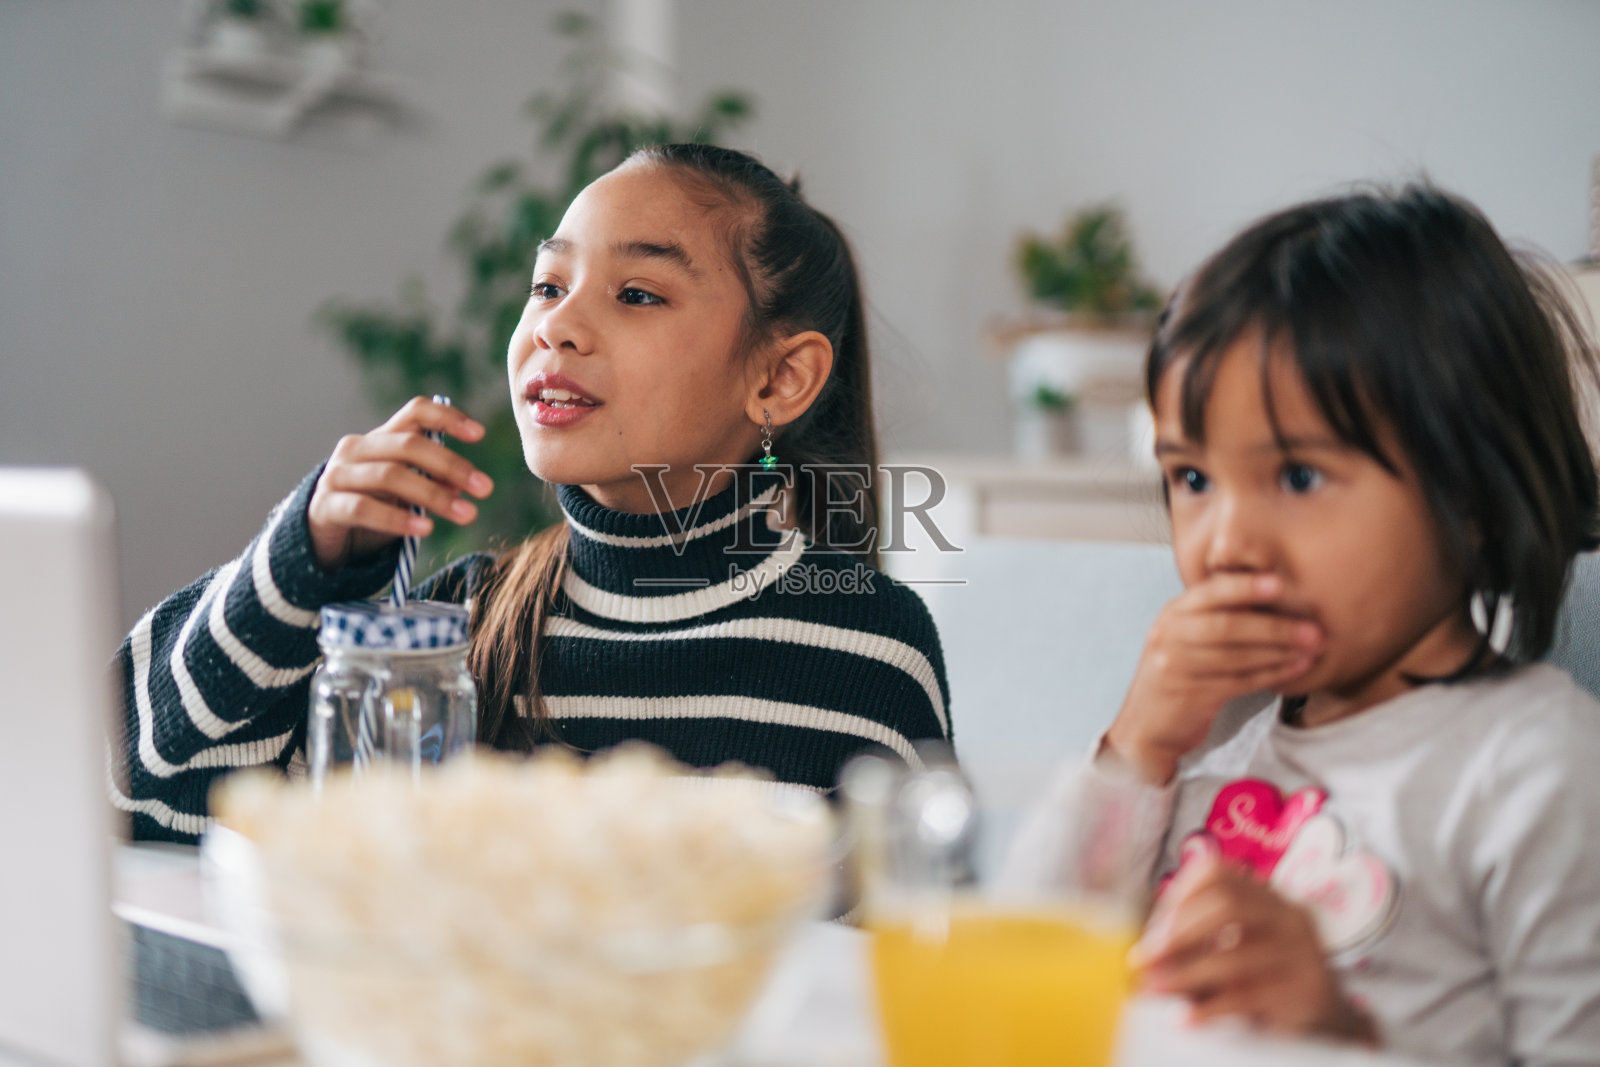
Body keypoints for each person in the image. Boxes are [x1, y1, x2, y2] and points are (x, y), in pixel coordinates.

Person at [112, 143, 951, 843]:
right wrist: (300, 567)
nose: (556, 325)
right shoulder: (449, 633)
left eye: (637, 294)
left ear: (779, 378)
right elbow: (155, 810)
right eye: (548, 286)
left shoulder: (873, 652)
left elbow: (900, 947)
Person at [1002, 185, 1600, 1065]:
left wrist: (1342, 1035)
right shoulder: (1214, 756)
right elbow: (1023, 970)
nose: (1225, 542)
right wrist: (1135, 750)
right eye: (1192, 478)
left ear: (1472, 496)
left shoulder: (1538, 768)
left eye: (1297, 476)